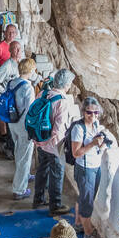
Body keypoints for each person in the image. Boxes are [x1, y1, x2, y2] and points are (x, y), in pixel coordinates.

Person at [70, 96, 116, 238]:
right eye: (89, 113)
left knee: (85, 197)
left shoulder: (96, 125)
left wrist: (102, 145)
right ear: (83, 112)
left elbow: (98, 146)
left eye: (96, 113)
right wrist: (92, 144)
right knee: (87, 201)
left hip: (95, 166)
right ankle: (88, 234)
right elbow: (75, 153)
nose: (93, 116)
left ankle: (78, 223)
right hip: (84, 169)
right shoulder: (78, 128)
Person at [32, 67, 75, 216]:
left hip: (40, 140)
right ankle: (55, 205)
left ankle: (38, 199)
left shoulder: (42, 93)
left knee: (42, 169)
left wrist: (40, 140)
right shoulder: (61, 101)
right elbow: (59, 128)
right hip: (54, 145)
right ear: (66, 84)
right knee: (57, 173)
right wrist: (60, 146)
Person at [8, 58, 39, 199]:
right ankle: (19, 190)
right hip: (23, 125)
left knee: (18, 151)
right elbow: (30, 111)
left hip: (12, 122)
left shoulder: (12, 83)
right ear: (31, 70)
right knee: (25, 157)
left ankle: (25, 175)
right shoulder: (28, 87)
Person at [0, 39, 23, 157]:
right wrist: (3, 93)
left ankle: (13, 147)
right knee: (10, 125)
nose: (18, 51)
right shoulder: (7, 65)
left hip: (18, 100)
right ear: (10, 50)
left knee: (15, 125)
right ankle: (9, 149)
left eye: (20, 49)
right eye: (15, 48)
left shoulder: (20, 63)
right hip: (10, 100)